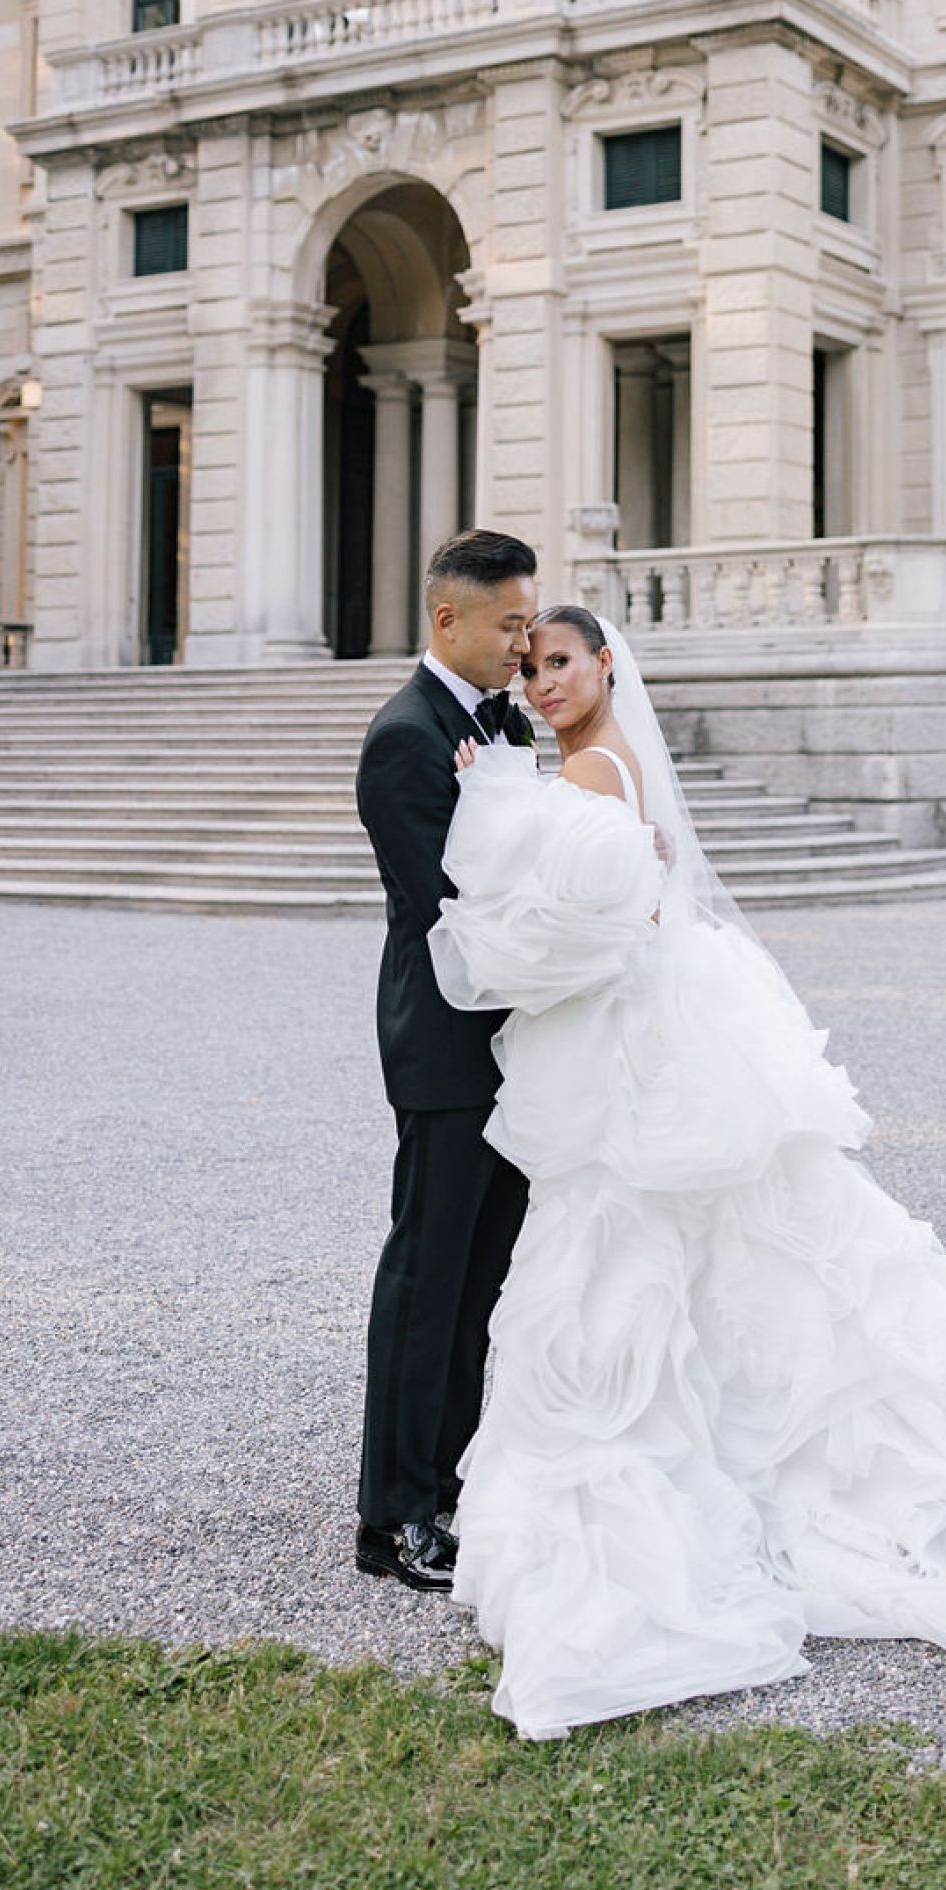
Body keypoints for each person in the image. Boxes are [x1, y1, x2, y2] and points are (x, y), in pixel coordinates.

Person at [433, 602, 946, 1737]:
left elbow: (546, 945)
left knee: (635, 1256)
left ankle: (697, 1473)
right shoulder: (603, 771)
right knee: (721, 1251)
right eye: (530, 669)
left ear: (607, 662)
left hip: (630, 1059)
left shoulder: (586, 779)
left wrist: (489, 803)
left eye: (561, 663)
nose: (541, 683)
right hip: (659, 1040)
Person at [353, 528, 540, 1589]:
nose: (523, 642)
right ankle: (392, 1518)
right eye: (510, 623)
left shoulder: (500, 720)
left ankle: (448, 1477)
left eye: (528, 622)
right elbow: (444, 910)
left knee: (483, 1275)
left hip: (512, 1044)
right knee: (426, 1277)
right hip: (444, 1044)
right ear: (447, 619)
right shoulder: (405, 738)